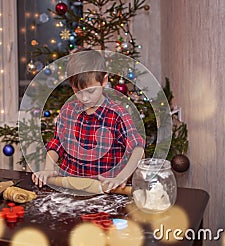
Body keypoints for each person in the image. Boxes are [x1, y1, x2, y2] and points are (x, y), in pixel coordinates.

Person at [32, 49, 145, 192]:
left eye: (90, 91)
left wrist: (121, 177)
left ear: (104, 80)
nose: (84, 98)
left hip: (104, 193)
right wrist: (48, 168)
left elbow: (138, 150)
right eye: (77, 92)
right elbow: (57, 144)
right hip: (69, 190)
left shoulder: (117, 115)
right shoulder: (68, 110)